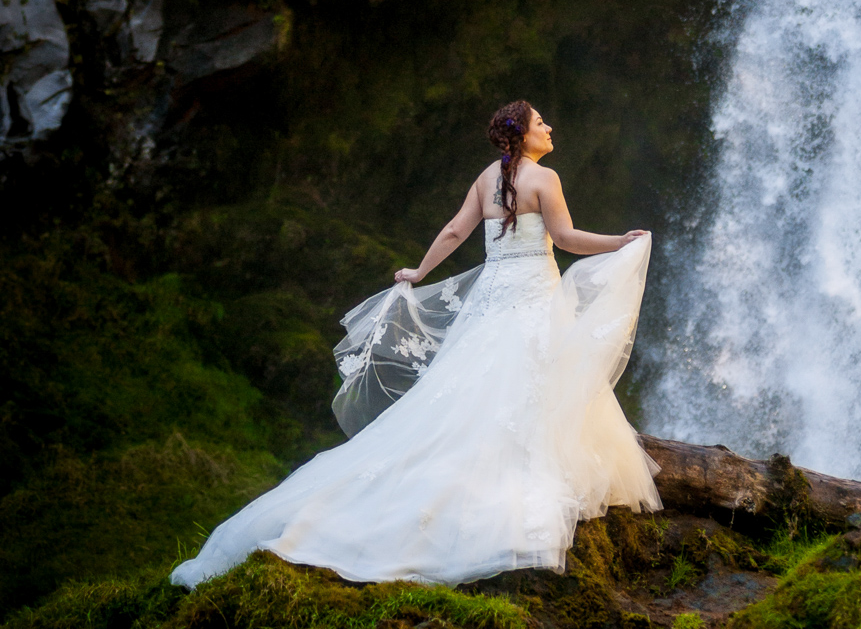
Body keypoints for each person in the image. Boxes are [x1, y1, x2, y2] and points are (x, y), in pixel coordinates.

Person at [170, 100, 661, 588]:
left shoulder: (486, 178)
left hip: (492, 299)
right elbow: (567, 238)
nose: (549, 127)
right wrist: (620, 241)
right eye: (540, 122)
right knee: (533, 381)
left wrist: (419, 271)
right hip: (533, 296)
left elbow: (453, 230)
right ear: (522, 135)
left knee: (473, 385)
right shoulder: (544, 179)